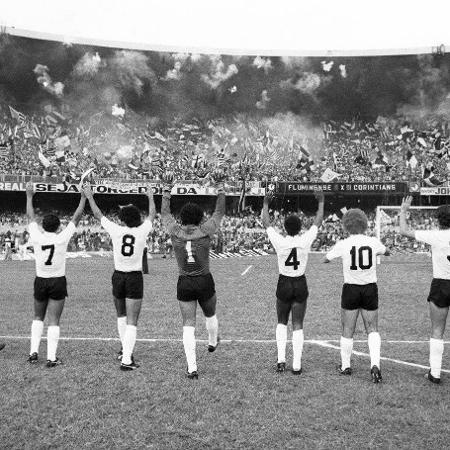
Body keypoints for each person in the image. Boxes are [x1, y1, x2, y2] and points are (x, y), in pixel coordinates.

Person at [83, 183, 155, 371]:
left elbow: (98, 215)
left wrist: (90, 196)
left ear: (122, 219)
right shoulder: (142, 231)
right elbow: (153, 215)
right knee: (132, 321)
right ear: (137, 218)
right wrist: (150, 196)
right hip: (134, 278)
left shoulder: (116, 230)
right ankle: (127, 360)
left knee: (121, 316)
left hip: (118, 276)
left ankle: (124, 350)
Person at [160, 171, 225, 379]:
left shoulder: (174, 231)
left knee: (188, 325)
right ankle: (213, 341)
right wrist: (221, 189)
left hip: (185, 281)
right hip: (204, 279)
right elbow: (219, 213)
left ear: (181, 218)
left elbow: (165, 214)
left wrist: (167, 190)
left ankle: (192, 368)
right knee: (210, 314)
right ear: (199, 217)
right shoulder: (205, 230)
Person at [262, 190, 324, 374]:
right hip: (299, 282)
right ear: (300, 227)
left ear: (285, 227)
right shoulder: (305, 240)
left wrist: (265, 204)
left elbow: (266, 223)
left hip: (284, 282)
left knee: (281, 322)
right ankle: (296, 364)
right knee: (298, 324)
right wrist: (321, 202)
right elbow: (317, 222)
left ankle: (281, 361)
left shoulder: (280, 241)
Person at [324, 208, 389, 383]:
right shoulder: (373, 241)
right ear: (364, 223)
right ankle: (375, 365)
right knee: (372, 329)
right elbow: (387, 251)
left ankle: (346, 366)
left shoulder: (343, 243)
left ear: (346, 225)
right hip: (369, 288)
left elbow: (326, 258)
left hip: (351, 288)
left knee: (348, 330)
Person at [26, 181, 86, 367]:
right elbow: (76, 218)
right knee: (54, 320)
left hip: (40, 280)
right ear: (59, 225)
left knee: (38, 317)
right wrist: (83, 198)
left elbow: (30, 217)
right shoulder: (62, 237)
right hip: (57, 281)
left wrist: (29, 196)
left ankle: (33, 352)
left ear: (42, 225)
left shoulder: (36, 235)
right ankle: (51, 357)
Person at [399, 196, 449, 384]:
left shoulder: (435, 235)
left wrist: (404, 210)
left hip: (441, 284)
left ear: (438, 220)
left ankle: (435, 373)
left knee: (437, 330)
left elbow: (404, 231)